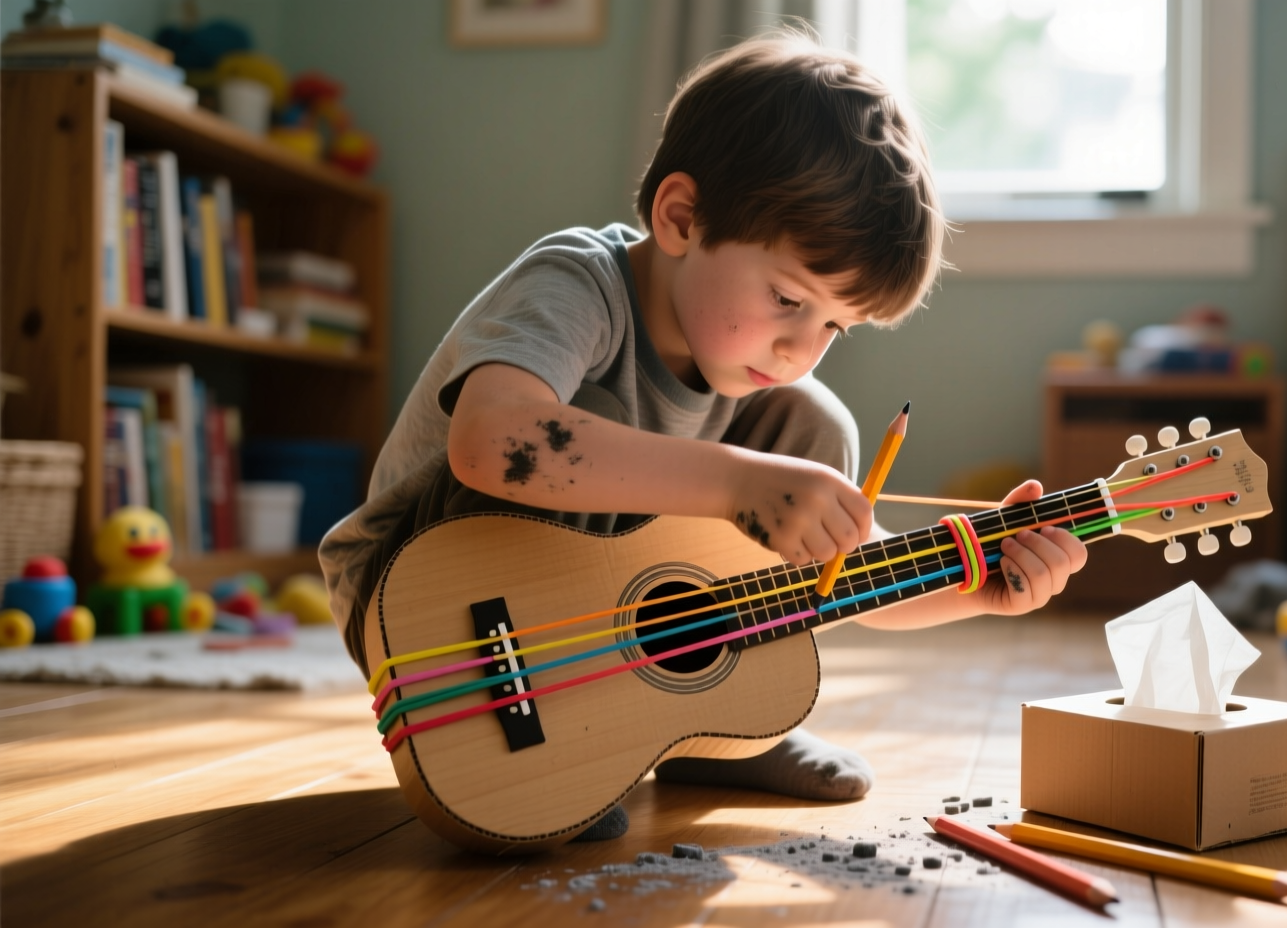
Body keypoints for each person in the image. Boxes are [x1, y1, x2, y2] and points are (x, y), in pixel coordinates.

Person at [319, 32, 1088, 842]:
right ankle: (563, 750)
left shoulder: (762, 392)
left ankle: (714, 735)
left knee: (812, 423)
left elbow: (834, 576)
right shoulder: (577, 283)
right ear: (681, 218)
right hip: (426, 593)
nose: (802, 349)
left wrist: (980, 584)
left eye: (837, 326)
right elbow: (494, 443)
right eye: (789, 300)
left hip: (567, 610)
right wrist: (737, 483)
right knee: (708, 446)